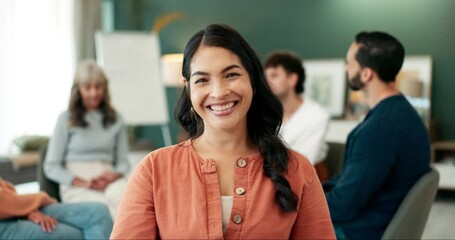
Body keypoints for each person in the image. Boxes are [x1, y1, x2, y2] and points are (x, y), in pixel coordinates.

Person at [111, 24, 335, 239]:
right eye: (202, 80)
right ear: (188, 89)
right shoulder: (153, 170)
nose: (218, 92)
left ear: (253, 81)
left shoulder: (298, 170)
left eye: (231, 75)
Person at [323, 31, 431, 239]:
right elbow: (350, 183)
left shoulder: (381, 128)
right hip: (375, 221)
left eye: (349, 63)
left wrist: (299, 204)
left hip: (360, 231)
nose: (346, 68)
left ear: (366, 74)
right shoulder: (400, 114)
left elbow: (344, 206)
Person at [44, 59, 130, 218]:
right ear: (78, 90)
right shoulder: (65, 119)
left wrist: (114, 175)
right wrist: (82, 182)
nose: (94, 93)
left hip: (109, 179)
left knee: (128, 202)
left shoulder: (117, 119)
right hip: (77, 183)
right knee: (102, 210)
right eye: (87, 87)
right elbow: (51, 167)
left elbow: (123, 162)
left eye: (98, 87)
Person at [264, 51, 331, 180]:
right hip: (269, 177)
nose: (267, 82)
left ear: (292, 79)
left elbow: (301, 163)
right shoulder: (264, 113)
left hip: (304, 182)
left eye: (274, 75)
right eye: (266, 76)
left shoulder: (317, 116)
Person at [0, 177, 113, 239]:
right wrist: (41, 197)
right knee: (76, 234)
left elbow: (7, 191)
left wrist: (26, 210)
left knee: (98, 212)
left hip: (11, 207)